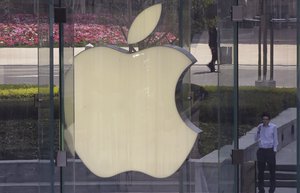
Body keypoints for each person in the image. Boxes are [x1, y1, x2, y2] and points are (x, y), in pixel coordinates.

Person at [255, 112, 278, 193]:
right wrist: (258, 131)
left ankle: (272, 188)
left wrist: (274, 150)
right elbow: (255, 139)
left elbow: (275, 139)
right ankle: (261, 188)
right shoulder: (260, 127)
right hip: (261, 150)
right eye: (263, 119)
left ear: (269, 120)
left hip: (270, 150)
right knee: (261, 171)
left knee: (272, 170)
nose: (265, 121)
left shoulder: (273, 127)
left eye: (266, 119)